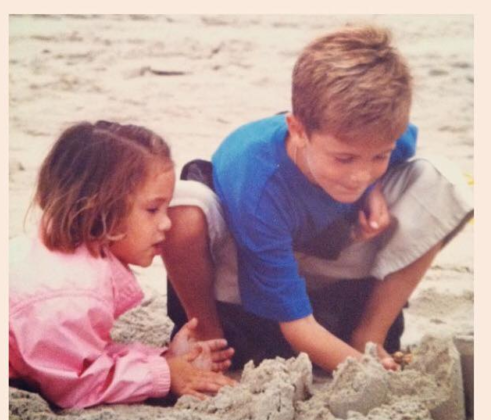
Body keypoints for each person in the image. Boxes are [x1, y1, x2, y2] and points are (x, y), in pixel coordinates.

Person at [162, 25, 474, 373]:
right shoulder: (260, 183)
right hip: (243, 265)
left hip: (326, 248)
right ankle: (207, 337)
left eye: (378, 157)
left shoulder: (383, 135)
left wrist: (375, 189)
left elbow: (381, 162)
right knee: (183, 205)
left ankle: (369, 336)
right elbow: (297, 327)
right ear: (298, 130)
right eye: (344, 158)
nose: (360, 173)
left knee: (441, 180)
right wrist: (370, 376)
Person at [9, 121, 236, 409]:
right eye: (153, 210)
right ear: (99, 210)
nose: (167, 223)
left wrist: (163, 358)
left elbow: (83, 352)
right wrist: (165, 375)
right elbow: (76, 383)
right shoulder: (73, 294)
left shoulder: (68, 261)